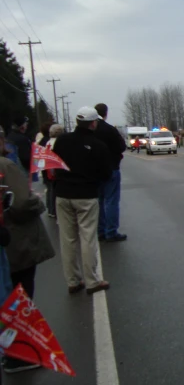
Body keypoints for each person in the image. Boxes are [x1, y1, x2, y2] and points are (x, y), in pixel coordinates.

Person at [0, 126, 56, 373]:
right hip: (15, 241)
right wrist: (38, 202)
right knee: (17, 296)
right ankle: (16, 353)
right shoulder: (5, 166)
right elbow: (21, 202)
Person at [53, 106, 112, 295]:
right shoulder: (97, 145)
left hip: (62, 194)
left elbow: (53, 163)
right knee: (88, 237)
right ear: (93, 123)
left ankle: (72, 280)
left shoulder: (62, 141)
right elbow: (106, 173)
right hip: (86, 195)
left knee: (68, 239)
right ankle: (92, 281)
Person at [94, 103, 128, 243]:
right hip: (111, 168)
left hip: (94, 170)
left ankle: (100, 230)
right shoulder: (109, 130)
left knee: (98, 201)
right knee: (111, 201)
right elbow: (121, 146)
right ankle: (111, 232)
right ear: (105, 113)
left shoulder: (90, 130)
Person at [40, 124, 64, 218]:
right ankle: (55, 210)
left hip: (48, 167)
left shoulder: (48, 142)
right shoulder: (58, 142)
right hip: (54, 168)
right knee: (55, 191)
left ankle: (51, 209)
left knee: (50, 189)